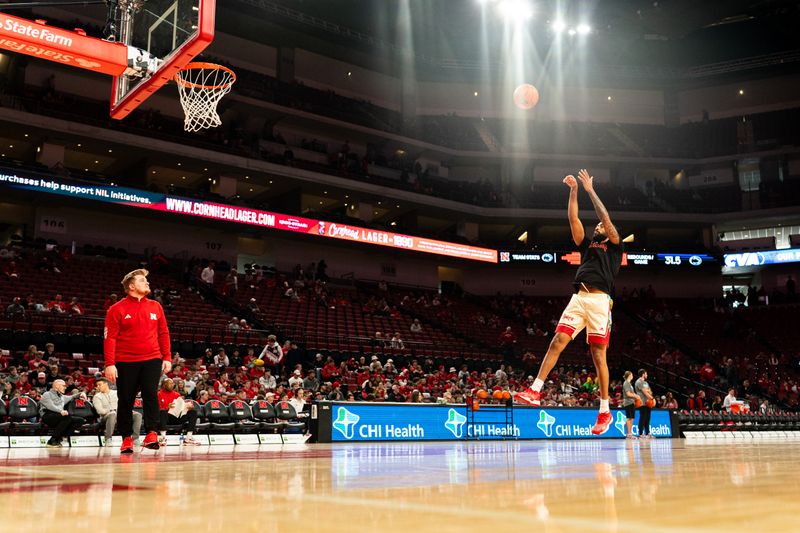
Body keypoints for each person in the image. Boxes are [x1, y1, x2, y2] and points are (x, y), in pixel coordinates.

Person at [515, 169, 624, 436]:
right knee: (557, 342)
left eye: (600, 226)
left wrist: (589, 190)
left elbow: (605, 217)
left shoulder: (614, 243)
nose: (597, 226)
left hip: (600, 302)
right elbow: (573, 218)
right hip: (579, 298)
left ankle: (604, 409)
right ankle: (535, 390)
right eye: (597, 226)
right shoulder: (588, 245)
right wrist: (574, 191)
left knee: (599, 356)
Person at [104, 269, 172, 454]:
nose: (147, 283)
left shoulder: (156, 306)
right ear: (131, 286)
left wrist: (167, 357)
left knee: (151, 395)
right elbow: (110, 338)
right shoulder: (116, 309)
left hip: (152, 358)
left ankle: (151, 434)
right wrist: (110, 363)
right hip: (125, 361)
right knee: (125, 400)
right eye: (143, 281)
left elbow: (163, 332)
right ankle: (126, 438)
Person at [93, 377, 142, 445]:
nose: (98, 387)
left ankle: (135, 438)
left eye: (99, 384)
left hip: (120, 414)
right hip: (105, 417)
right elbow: (100, 411)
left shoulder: (116, 393)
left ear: (106, 384)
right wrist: (112, 410)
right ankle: (108, 439)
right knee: (112, 414)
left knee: (137, 415)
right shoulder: (97, 397)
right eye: (97, 385)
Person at [39, 379, 84, 447]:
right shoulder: (47, 394)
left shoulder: (62, 397)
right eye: (63, 386)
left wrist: (82, 393)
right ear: (57, 386)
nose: (65, 387)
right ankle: (52, 440)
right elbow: (50, 406)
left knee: (80, 420)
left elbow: (72, 396)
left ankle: (61, 436)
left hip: (60, 416)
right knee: (66, 417)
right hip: (47, 416)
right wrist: (61, 411)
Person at [157, 378, 201, 445]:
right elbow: (156, 409)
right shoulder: (159, 394)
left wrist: (187, 407)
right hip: (167, 418)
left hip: (178, 416)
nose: (172, 385)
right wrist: (167, 407)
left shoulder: (176, 394)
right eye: (170, 384)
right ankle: (163, 438)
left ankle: (188, 438)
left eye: (172, 384)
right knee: (162, 412)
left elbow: (181, 405)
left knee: (193, 412)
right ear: (164, 385)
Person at [635, 369, 654, 439]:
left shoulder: (646, 383)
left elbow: (650, 391)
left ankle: (647, 433)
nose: (647, 375)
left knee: (648, 418)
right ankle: (640, 434)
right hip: (642, 402)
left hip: (648, 403)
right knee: (642, 418)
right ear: (643, 374)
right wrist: (652, 398)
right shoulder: (638, 382)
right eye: (646, 374)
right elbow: (645, 392)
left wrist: (649, 392)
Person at [622, 371, 638, 438]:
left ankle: (630, 433)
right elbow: (628, 394)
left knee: (631, 418)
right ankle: (629, 434)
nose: (632, 376)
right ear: (629, 375)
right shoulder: (626, 383)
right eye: (631, 375)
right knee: (629, 418)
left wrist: (636, 396)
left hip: (632, 402)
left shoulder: (629, 384)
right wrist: (636, 396)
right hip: (628, 402)